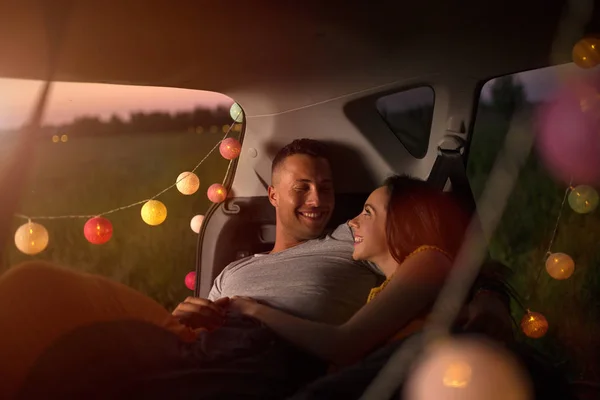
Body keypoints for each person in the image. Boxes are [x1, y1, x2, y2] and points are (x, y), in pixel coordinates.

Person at [0, 139, 513, 399]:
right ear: (272, 195)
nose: (321, 201)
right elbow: (199, 320)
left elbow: (443, 257)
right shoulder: (234, 269)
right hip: (200, 340)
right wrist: (190, 312)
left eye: (328, 188)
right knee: (43, 301)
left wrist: (489, 296)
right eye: (303, 187)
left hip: (266, 353)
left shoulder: (351, 244)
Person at [227, 174, 469, 367]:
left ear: (402, 222)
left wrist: (252, 309)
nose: (353, 222)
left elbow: (342, 345)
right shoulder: (390, 283)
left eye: (367, 212)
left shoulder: (429, 259)